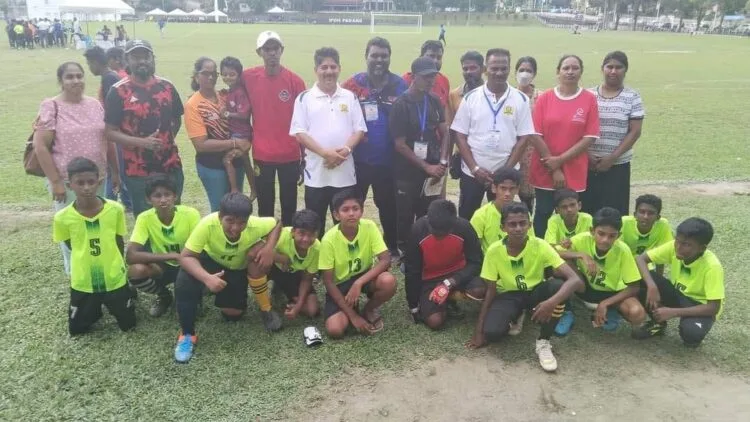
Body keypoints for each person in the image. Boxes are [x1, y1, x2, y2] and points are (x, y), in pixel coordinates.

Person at [465, 202, 583, 372]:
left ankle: (543, 342)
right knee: (492, 333)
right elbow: (490, 290)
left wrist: (550, 302)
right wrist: (478, 331)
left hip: (535, 292)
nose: (518, 228)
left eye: (522, 223)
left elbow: (575, 280)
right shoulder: (494, 251)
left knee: (557, 287)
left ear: (530, 225)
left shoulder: (540, 245)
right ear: (503, 227)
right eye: (512, 224)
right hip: (509, 294)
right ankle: (517, 314)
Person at [173, 193, 283, 363]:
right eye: (230, 221)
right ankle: (187, 335)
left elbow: (277, 223)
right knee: (184, 280)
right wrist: (207, 278)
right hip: (212, 262)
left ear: (248, 220)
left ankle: (260, 307)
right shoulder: (208, 224)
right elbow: (185, 257)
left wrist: (268, 248)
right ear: (220, 217)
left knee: (233, 314)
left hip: (236, 269)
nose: (235, 228)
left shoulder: (255, 224)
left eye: (241, 222)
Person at [34, 62, 118, 275]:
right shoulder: (51, 106)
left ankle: (98, 267)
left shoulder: (95, 104)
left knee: (97, 224)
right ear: (60, 81)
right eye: (70, 77)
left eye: (79, 76)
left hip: (97, 179)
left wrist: (116, 172)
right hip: (67, 182)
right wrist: (55, 182)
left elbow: (107, 140)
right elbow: (40, 146)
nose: (76, 81)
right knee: (72, 227)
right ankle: (76, 273)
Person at [53, 157, 135, 335]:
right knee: (77, 330)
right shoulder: (62, 217)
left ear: (99, 182)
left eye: (91, 182)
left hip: (113, 277)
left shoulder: (115, 209)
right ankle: (93, 308)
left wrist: (118, 266)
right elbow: (70, 245)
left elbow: (118, 240)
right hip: (84, 280)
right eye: (80, 183)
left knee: (129, 325)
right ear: (69, 185)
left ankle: (124, 293)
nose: (86, 187)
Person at [342, 37, 407, 260]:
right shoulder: (352, 84)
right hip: (358, 160)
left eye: (384, 56)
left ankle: (391, 247)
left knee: (388, 206)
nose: (379, 60)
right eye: (374, 55)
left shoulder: (399, 85)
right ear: (366, 56)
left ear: (389, 58)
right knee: (353, 205)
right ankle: (351, 245)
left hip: (389, 161)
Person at [290, 47, 367, 235]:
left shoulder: (350, 97)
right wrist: (326, 154)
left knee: (345, 227)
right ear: (316, 70)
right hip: (316, 175)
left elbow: (359, 129)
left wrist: (345, 151)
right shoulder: (304, 98)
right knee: (315, 227)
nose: (329, 71)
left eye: (333, 67)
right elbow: (300, 132)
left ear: (339, 68)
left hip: (344, 175)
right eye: (324, 67)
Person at [452, 48, 536, 220]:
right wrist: (475, 168)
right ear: (485, 69)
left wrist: (505, 171)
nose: (499, 73)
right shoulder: (471, 98)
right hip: (473, 173)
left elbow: (524, 138)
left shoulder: (521, 99)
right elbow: (459, 135)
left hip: (505, 175)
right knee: (467, 217)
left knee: (502, 219)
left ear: (509, 69)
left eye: (503, 68)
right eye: (494, 68)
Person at [105, 40, 185, 217]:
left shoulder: (167, 86)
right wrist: (142, 143)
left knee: (174, 216)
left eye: (146, 56)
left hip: (170, 164)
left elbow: (176, 119)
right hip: (138, 170)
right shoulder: (118, 91)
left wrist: (166, 139)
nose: (142, 61)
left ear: (153, 58)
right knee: (146, 218)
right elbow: (109, 132)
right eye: (136, 57)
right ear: (127, 60)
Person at [528, 55, 600, 238]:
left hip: (574, 169)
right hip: (545, 168)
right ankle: (542, 253)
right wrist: (554, 168)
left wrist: (559, 161)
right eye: (566, 68)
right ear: (558, 72)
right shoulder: (545, 98)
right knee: (543, 213)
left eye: (575, 68)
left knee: (571, 216)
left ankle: (572, 253)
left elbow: (589, 137)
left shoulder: (589, 99)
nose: (570, 72)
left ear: (581, 72)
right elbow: (535, 134)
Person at [243, 31, 306, 226]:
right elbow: (232, 93)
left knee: (289, 204)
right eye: (267, 49)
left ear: (281, 50)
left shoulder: (295, 81)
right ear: (259, 52)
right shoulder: (248, 77)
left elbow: (303, 122)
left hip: (290, 155)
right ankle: (266, 238)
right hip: (262, 155)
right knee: (265, 205)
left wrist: (304, 156)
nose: (272, 53)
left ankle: (286, 238)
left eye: (275, 48)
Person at [390, 57, 449, 255]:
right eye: (426, 77)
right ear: (414, 77)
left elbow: (445, 132)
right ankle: (405, 254)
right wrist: (426, 167)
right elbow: (399, 144)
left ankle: (426, 250)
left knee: (428, 212)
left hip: (432, 169)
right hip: (407, 172)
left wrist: (442, 162)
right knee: (405, 215)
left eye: (433, 76)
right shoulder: (400, 104)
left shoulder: (434, 100)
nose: (431, 81)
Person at [633, 218, 724, 346]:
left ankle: (692, 325)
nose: (678, 247)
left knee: (691, 334)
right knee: (637, 276)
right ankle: (658, 324)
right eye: (677, 241)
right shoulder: (674, 246)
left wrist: (673, 312)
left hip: (699, 305)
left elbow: (713, 308)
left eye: (687, 245)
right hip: (677, 294)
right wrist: (651, 286)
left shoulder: (712, 267)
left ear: (702, 248)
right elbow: (640, 259)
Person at [318, 189, 397, 338]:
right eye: (345, 210)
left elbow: (385, 259)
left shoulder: (369, 226)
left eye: (355, 208)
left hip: (363, 277)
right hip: (340, 284)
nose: (351, 213)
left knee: (388, 281)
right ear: (336, 215)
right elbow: (328, 282)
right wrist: (353, 317)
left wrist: (358, 283)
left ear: (362, 211)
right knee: (335, 330)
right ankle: (351, 310)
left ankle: (368, 309)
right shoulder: (328, 240)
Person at [556, 207, 647, 335]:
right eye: (601, 233)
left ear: (619, 235)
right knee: (557, 266)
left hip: (611, 293)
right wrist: (581, 255)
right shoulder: (582, 239)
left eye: (612, 236)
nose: (605, 240)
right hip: (585, 288)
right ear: (592, 231)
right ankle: (566, 310)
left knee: (637, 313)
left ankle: (610, 309)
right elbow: (552, 253)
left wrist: (605, 303)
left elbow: (634, 287)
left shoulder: (623, 250)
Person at [126, 175, 201, 317]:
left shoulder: (190, 214)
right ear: (148, 199)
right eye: (157, 196)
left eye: (167, 194)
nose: (163, 200)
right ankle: (164, 295)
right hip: (162, 265)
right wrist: (172, 256)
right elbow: (131, 256)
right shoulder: (144, 218)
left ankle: (192, 294)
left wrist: (183, 259)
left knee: (186, 309)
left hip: (188, 263)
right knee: (136, 271)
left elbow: (199, 248)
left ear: (175, 196)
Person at [581, 51, 645, 216]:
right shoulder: (587, 95)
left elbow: (635, 132)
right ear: (602, 69)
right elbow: (576, 128)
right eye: (609, 67)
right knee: (586, 212)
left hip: (618, 165)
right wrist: (587, 154)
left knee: (614, 214)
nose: (613, 71)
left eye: (618, 67)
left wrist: (612, 157)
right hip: (587, 164)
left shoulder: (632, 97)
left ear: (625, 70)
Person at [184, 57, 252, 212]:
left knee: (237, 208)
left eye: (214, 73)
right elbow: (201, 145)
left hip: (235, 161)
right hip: (212, 166)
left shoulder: (224, 95)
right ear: (196, 76)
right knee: (220, 210)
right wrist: (236, 143)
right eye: (205, 73)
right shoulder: (193, 105)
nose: (211, 77)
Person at [405, 200, 484, 330]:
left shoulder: (465, 227)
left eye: (442, 233)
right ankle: (445, 302)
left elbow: (476, 262)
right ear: (428, 220)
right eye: (434, 231)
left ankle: (450, 297)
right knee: (435, 321)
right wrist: (413, 306)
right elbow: (412, 270)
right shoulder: (417, 230)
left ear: (453, 226)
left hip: (458, 275)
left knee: (480, 290)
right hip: (431, 279)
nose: (438, 236)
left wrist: (451, 281)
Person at [269, 209, 322, 320]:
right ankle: (264, 304)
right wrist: (283, 259)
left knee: (312, 310)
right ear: (293, 232)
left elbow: (306, 279)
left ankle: (287, 302)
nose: (306, 239)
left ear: (317, 234)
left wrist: (298, 307)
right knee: (259, 264)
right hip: (273, 268)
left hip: (293, 275)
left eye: (311, 234)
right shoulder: (282, 235)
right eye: (301, 233)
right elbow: (259, 250)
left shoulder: (318, 249)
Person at [470, 168, 536, 253]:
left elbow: (530, 241)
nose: (507, 193)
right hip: (491, 260)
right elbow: (474, 247)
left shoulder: (522, 213)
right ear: (494, 188)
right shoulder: (481, 215)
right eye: (503, 188)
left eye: (511, 189)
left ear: (517, 189)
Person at [219, 56, 257, 200]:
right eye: (224, 74)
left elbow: (244, 114)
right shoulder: (230, 91)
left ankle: (235, 191)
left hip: (241, 134)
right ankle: (254, 189)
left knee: (227, 159)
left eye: (232, 74)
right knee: (245, 161)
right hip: (235, 133)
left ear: (239, 75)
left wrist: (227, 114)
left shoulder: (240, 92)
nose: (228, 77)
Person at [620, 194, 673, 275]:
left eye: (651, 213)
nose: (645, 217)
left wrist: (659, 277)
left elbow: (661, 254)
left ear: (658, 217)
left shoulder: (663, 225)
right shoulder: (624, 223)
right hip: (622, 266)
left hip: (644, 267)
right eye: (642, 212)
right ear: (635, 214)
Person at [514, 56, 540, 212]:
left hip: (533, 153)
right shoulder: (508, 95)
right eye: (521, 70)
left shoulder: (542, 97)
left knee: (528, 195)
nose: (524, 74)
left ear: (534, 74)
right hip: (512, 151)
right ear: (515, 72)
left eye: (529, 71)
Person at [402, 40, 451, 109]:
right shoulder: (406, 80)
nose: (435, 61)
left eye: (439, 57)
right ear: (421, 57)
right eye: (431, 56)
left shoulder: (444, 81)